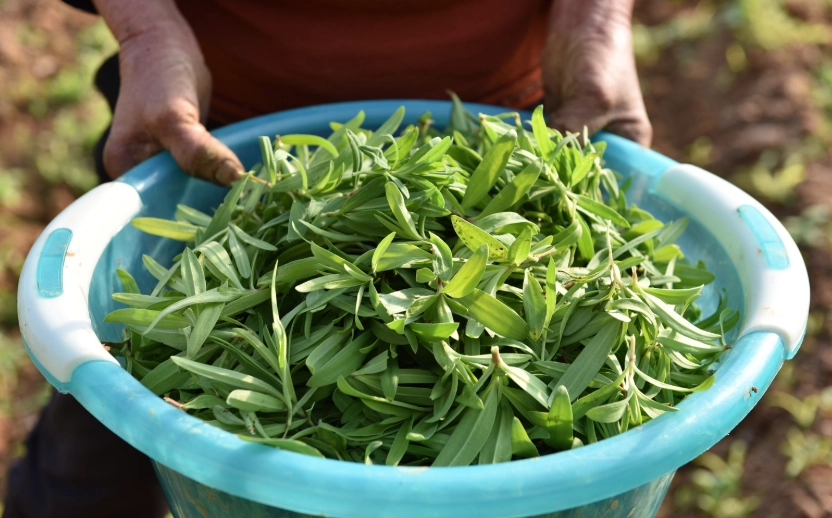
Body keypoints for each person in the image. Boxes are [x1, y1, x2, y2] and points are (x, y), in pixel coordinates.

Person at [4, 1, 651, 516]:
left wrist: (595, 17)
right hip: (215, 148)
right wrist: (144, 28)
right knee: (108, 424)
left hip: (508, 138)